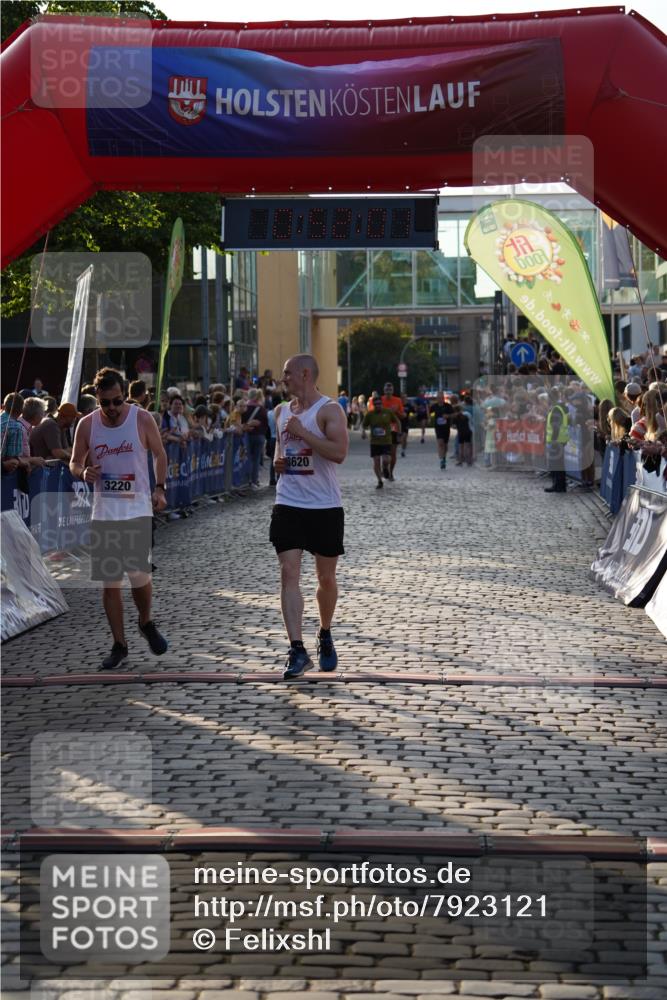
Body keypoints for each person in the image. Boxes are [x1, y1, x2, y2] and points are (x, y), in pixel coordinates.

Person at [70, 367, 169, 670]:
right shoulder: (87, 425)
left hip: (137, 507)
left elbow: (159, 453)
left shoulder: (141, 418)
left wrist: (160, 488)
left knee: (139, 576)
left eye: (115, 401)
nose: (111, 409)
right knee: (109, 583)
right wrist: (83, 471)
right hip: (105, 512)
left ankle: (145, 620)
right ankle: (119, 644)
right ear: (96, 399)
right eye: (104, 403)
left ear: (124, 395)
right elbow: (74, 461)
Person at [271, 354, 348, 680]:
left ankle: (325, 632)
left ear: (305, 374)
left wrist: (305, 433)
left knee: (325, 579)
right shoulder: (280, 411)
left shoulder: (330, 410)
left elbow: (339, 453)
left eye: (287, 374)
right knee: (289, 574)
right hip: (288, 503)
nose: (283, 379)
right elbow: (280, 449)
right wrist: (278, 461)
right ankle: (297, 649)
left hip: (324, 506)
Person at [363, 392, 398, 488]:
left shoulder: (387, 412)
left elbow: (397, 421)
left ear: (381, 404)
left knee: (386, 459)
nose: (378, 406)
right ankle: (379, 481)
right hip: (374, 442)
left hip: (386, 440)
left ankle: (385, 468)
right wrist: (363, 432)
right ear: (374, 405)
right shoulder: (370, 414)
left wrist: (398, 432)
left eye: (379, 404)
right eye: (376, 404)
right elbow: (364, 425)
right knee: (376, 461)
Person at [375, 382, 404, 480]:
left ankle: (391, 472)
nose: (388, 391)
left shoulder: (398, 400)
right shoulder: (379, 400)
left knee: (393, 453)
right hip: (382, 430)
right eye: (386, 390)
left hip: (394, 429)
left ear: (393, 391)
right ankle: (385, 467)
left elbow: (402, 416)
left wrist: (396, 411)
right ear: (383, 390)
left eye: (390, 390)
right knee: (384, 452)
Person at [242, 387, 269, 488]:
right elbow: (266, 424)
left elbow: (241, 421)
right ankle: (254, 480)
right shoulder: (261, 409)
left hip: (247, 435)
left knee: (247, 457)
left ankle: (246, 480)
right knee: (256, 459)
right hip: (259, 436)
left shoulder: (245, 407)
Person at [544, 387, 569, 493]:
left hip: (556, 440)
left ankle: (558, 485)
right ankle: (560, 485)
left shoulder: (556, 409)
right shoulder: (560, 407)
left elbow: (555, 427)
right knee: (559, 464)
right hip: (560, 440)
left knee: (556, 465)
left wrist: (553, 441)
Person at [430, 390, 455, 470]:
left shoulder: (448, 406)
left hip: (446, 427)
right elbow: (429, 412)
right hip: (438, 427)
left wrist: (447, 416)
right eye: (438, 397)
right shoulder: (434, 406)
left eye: (441, 397)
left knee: (445, 445)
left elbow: (453, 414)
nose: (440, 399)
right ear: (437, 398)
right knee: (440, 443)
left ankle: (444, 458)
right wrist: (429, 417)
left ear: (443, 398)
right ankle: (441, 460)